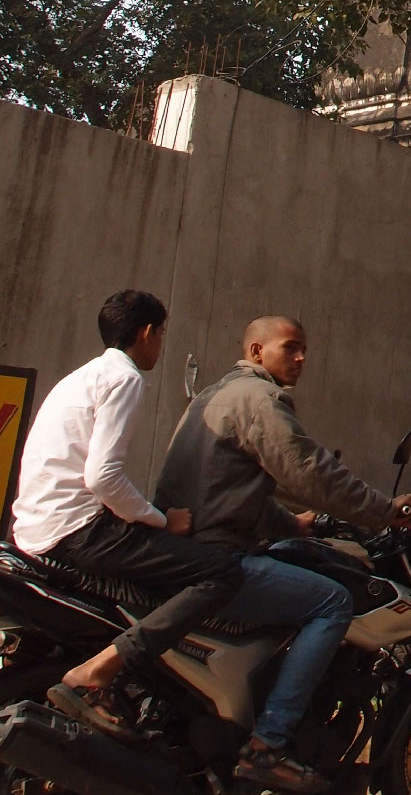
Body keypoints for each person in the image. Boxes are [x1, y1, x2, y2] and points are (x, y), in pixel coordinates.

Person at [158, 315, 411, 795]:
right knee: (333, 602)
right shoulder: (261, 399)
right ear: (257, 351)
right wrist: (383, 511)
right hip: (218, 560)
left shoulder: (211, 397)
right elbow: (309, 472)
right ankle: (268, 744)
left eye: (303, 349)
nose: (300, 359)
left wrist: (290, 524)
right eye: (289, 347)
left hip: (182, 552)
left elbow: (228, 489)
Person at [10, 290, 243, 737]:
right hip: (79, 531)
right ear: (147, 333)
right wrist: (161, 519)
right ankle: (108, 667)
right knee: (223, 573)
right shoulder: (126, 379)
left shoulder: (80, 377)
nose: (161, 343)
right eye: (163, 334)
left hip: (35, 530)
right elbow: (102, 476)